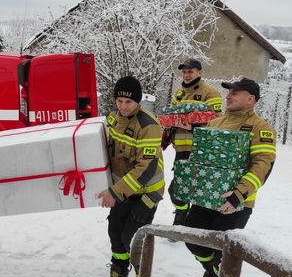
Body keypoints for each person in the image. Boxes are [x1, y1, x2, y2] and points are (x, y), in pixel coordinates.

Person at [184, 78, 276, 277]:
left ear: (250, 99)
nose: (228, 95)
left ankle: (216, 271)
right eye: (229, 91)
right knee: (192, 240)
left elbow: (262, 166)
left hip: (234, 204)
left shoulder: (261, 128)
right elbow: (200, 157)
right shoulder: (213, 123)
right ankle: (213, 270)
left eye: (235, 92)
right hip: (204, 198)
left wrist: (238, 195)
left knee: (223, 252)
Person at [97, 76, 165, 277]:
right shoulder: (113, 118)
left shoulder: (148, 125)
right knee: (115, 231)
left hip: (146, 192)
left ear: (138, 101)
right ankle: (119, 267)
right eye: (119, 101)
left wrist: (115, 193)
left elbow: (145, 168)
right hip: (124, 189)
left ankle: (141, 271)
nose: (123, 106)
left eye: (128, 102)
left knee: (132, 239)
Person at [163, 59, 223, 226]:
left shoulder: (211, 93)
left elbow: (218, 121)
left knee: (180, 189)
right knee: (179, 190)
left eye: (191, 71)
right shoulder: (179, 94)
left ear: (200, 72)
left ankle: (184, 218)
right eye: (184, 72)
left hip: (200, 151)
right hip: (180, 149)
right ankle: (182, 213)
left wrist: (192, 125)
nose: (187, 75)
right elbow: (173, 117)